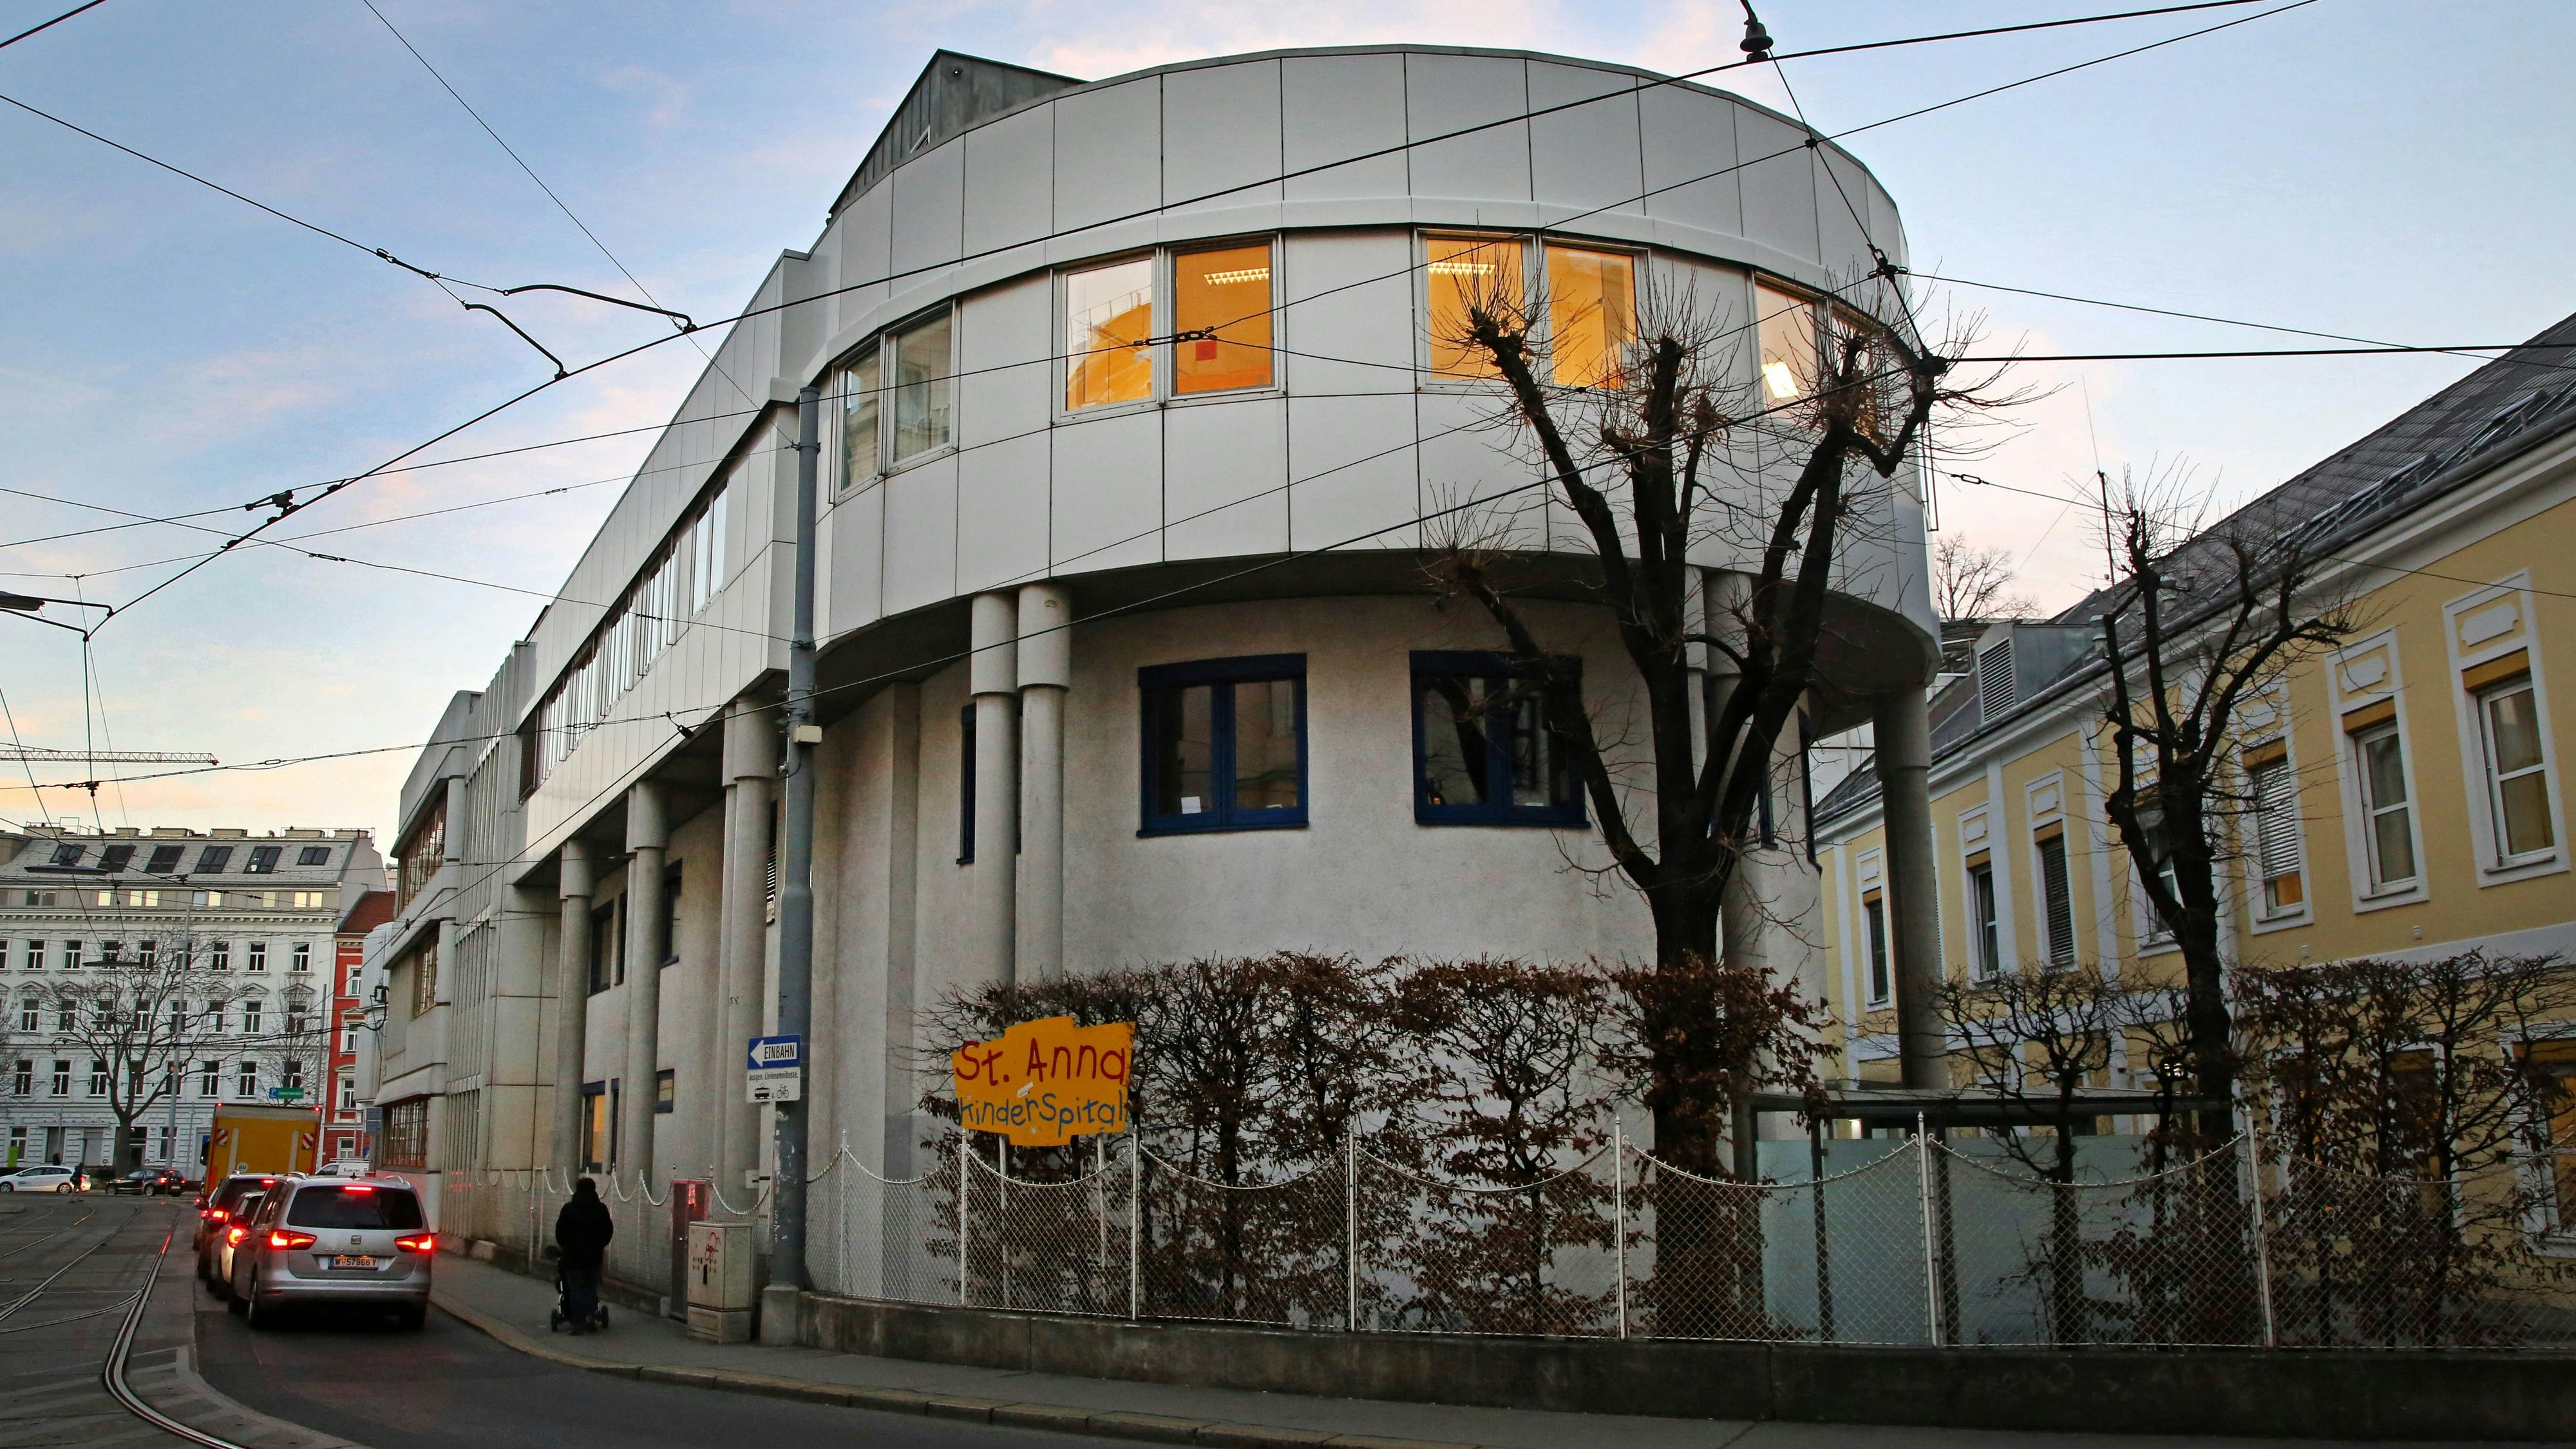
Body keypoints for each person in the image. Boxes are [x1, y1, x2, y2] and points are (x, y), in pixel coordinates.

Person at [554, 1177, 614, 1331]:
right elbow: (608, 1231)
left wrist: (566, 1246)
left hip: (573, 1257)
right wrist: (600, 1244)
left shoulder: (569, 1209)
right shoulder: (601, 1210)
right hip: (594, 1257)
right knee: (590, 1287)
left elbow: (560, 1232)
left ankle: (578, 1322)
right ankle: (591, 1315)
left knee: (575, 1289)